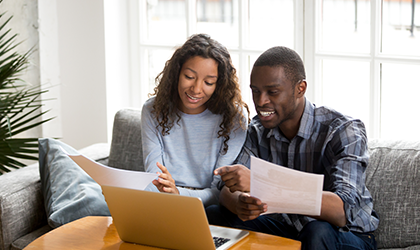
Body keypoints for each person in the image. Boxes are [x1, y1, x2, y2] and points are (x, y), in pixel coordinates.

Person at [206, 46, 379, 249]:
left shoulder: (343, 130)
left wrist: (263, 184)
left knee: (317, 231)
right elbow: (227, 190)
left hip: (346, 234)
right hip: (289, 229)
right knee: (215, 214)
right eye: (255, 91)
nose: (261, 102)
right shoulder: (256, 130)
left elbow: (342, 211)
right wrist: (240, 202)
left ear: (300, 88)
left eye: (273, 92)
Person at [141, 34, 249, 207]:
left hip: (205, 206)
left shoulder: (234, 117)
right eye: (189, 77)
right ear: (176, 74)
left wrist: (177, 193)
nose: (196, 89)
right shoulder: (153, 110)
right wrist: (168, 192)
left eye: (208, 82)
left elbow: (218, 192)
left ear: (219, 84)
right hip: (160, 201)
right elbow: (154, 178)